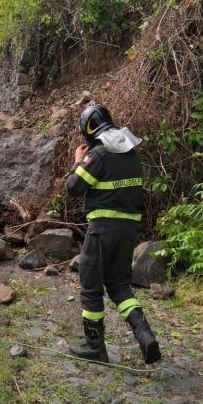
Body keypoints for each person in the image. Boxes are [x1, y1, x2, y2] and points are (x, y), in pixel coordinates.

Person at [65, 104, 161, 364]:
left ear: (88, 129)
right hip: (128, 231)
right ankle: (145, 335)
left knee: (90, 286)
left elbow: (73, 187)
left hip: (102, 231)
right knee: (118, 284)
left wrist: (77, 161)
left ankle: (95, 347)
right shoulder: (131, 154)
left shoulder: (98, 154)